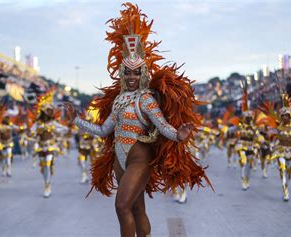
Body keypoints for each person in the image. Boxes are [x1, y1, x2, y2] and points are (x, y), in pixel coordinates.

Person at [64, 4, 210, 236]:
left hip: (138, 160)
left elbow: (162, 125)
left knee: (121, 207)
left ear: (143, 74)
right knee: (136, 208)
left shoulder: (146, 99)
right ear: (122, 74)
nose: (132, 77)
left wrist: (178, 135)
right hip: (119, 162)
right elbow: (103, 130)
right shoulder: (120, 99)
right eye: (128, 72)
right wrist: (77, 121)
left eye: (137, 72)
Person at [30, 89, 69, 198]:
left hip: (51, 146)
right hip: (41, 147)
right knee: (44, 168)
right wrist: (36, 132)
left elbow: (64, 129)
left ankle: (47, 187)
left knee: (47, 165)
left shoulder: (53, 123)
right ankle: (46, 183)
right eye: (47, 110)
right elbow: (31, 131)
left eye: (50, 111)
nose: (49, 113)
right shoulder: (38, 123)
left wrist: (57, 131)